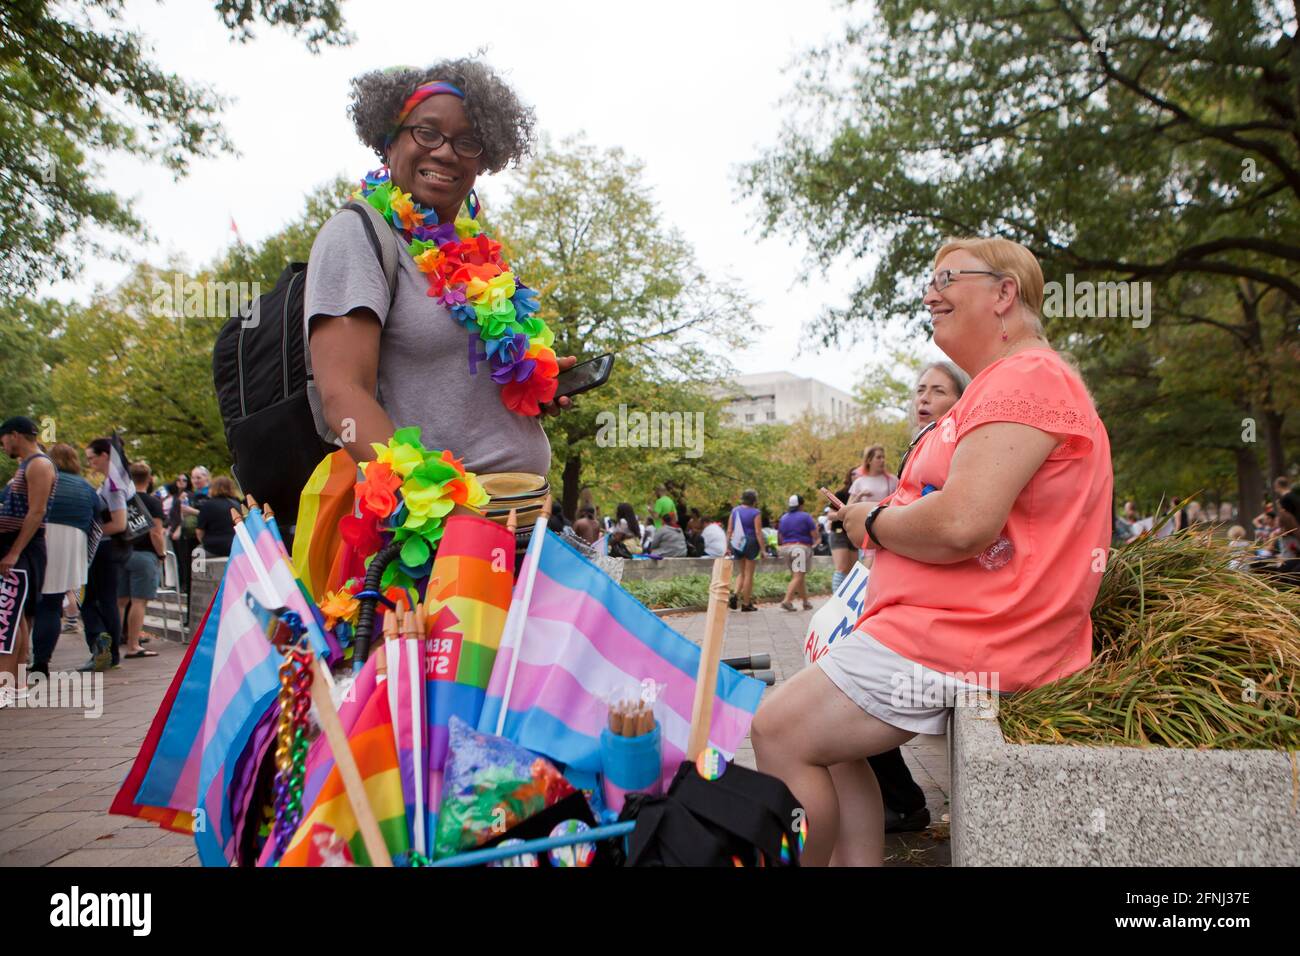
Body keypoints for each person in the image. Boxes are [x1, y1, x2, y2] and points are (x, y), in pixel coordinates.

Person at [753, 237, 1113, 866]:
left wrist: (874, 523)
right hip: (958, 625)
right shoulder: (1008, 381)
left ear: (1005, 293)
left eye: (947, 278)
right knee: (830, 746)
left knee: (778, 729)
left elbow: (962, 524)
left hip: (976, 631)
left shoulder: (1026, 377)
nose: (929, 293)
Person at [305, 59, 574, 492]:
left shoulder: (475, 257)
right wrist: (428, 496)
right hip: (432, 533)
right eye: (427, 132)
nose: (446, 152)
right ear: (389, 140)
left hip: (516, 517)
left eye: (467, 142)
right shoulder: (357, 235)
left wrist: (530, 380)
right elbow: (342, 397)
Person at [869, 359, 968, 834]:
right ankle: (899, 800)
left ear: (961, 400)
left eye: (938, 390)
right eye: (920, 389)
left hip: (927, 615)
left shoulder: (955, 444)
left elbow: (940, 524)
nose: (924, 398)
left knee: (842, 700)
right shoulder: (924, 443)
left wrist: (878, 522)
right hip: (896, 604)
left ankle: (904, 803)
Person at [0, 417, 56, 704]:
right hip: (19, 547)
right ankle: (15, 683)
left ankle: (6, 685)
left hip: (23, 549)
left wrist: (14, 552)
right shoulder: (28, 466)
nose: (3, 445)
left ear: (15, 435)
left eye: (4, 439)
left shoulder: (39, 464)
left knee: (7, 616)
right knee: (16, 616)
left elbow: (37, 512)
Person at [31, 443, 99, 678]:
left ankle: (25, 657)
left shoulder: (43, 477)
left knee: (31, 605)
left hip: (40, 538)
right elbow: (95, 522)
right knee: (51, 605)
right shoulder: (86, 487)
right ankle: (41, 660)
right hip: (72, 544)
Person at [81, 438, 127, 671]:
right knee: (100, 600)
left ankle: (105, 648)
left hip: (107, 549)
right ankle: (107, 649)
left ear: (105, 455)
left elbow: (119, 523)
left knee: (95, 599)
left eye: (92, 457)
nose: (90, 463)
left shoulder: (113, 484)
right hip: (107, 549)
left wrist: (90, 535)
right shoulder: (111, 483)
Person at [117, 462, 166, 659]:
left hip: (122, 553)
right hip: (145, 554)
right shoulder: (153, 502)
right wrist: (161, 554)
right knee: (139, 602)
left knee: (120, 602)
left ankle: (114, 644)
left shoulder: (122, 499)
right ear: (150, 478)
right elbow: (156, 532)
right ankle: (133, 645)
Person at [848, 444, 900, 570]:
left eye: (883, 457)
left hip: (887, 525)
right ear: (869, 460)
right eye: (878, 457)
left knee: (884, 560)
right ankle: (864, 587)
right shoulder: (859, 482)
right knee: (869, 560)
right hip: (866, 526)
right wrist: (860, 495)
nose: (882, 460)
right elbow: (848, 507)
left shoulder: (892, 480)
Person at [778, 495, 820, 611]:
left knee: (798, 576)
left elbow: (780, 537)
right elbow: (814, 535)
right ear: (801, 505)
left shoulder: (783, 518)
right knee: (798, 576)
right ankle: (786, 601)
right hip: (799, 549)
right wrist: (816, 541)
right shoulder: (805, 517)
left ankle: (805, 602)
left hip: (786, 548)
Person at [727, 490, 763, 612]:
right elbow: (758, 532)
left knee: (741, 573)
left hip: (737, 542)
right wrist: (763, 549)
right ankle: (746, 604)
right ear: (754, 500)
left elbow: (729, 530)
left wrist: (727, 546)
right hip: (750, 542)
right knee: (749, 575)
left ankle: (735, 594)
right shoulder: (755, 512)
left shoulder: (735, 510)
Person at [195, 476, 243, 558]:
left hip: (214, 547)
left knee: (196, 553)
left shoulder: (207, 505)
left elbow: (199, 531)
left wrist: (203, 542)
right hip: (235, 545)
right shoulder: (237, 504)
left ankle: (199, 571)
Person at [828, 468, 858, 593]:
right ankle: (836, 598)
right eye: (854, 474)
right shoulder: (841, 494)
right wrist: (844, 513)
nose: (857, 476)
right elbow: (830, 515)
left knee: (852, 570)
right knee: (841, 567)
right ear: (849, 476)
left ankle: (846, 597)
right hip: (839, 533)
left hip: (854, 535)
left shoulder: (866, 494)